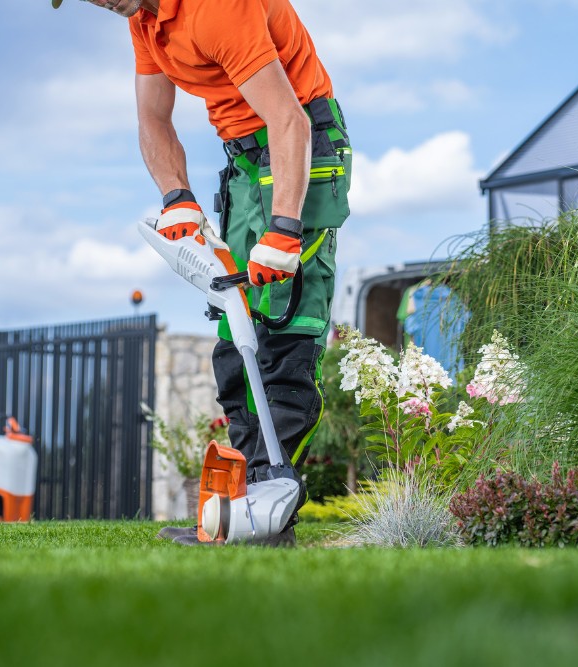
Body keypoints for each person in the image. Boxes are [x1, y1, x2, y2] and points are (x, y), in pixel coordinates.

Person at [54, 0, 352, 546]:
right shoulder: (145, 22)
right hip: (241, 160)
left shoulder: (216, 7)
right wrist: (177, 197)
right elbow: (153, 119)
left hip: (301, 145)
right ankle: (240, 508)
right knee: (233, 325)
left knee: (283, 325)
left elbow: (290, 120)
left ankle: (269, 512)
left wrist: (285, 228)